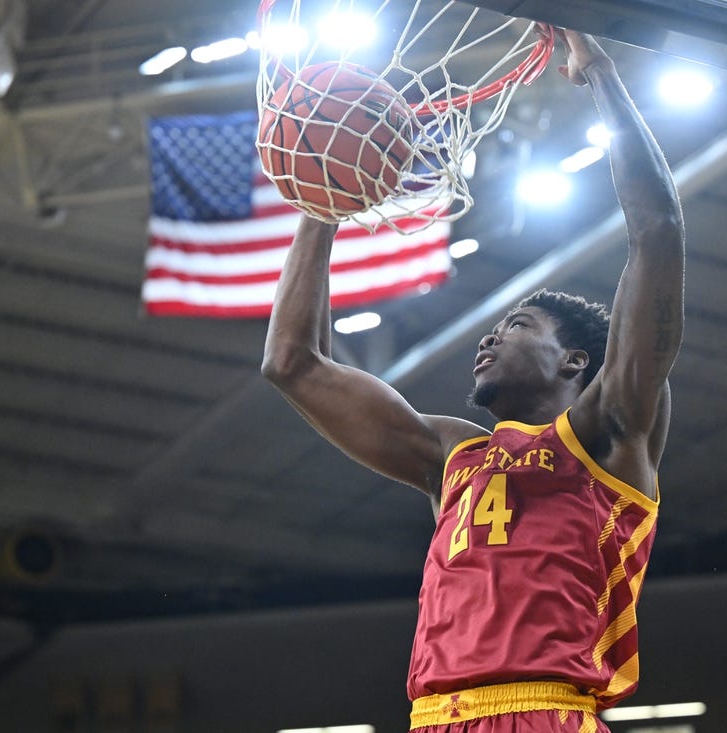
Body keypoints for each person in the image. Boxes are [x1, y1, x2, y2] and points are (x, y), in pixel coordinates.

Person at [262, 27, 684, 733]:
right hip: (434, 717)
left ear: (576, 360)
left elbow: (659, 230)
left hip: (547, 712)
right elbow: (291, 363)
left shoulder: (610, 431)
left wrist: (601, 72)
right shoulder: (451, 457)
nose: (489, 335)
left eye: (519, 324)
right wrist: (323, 201)